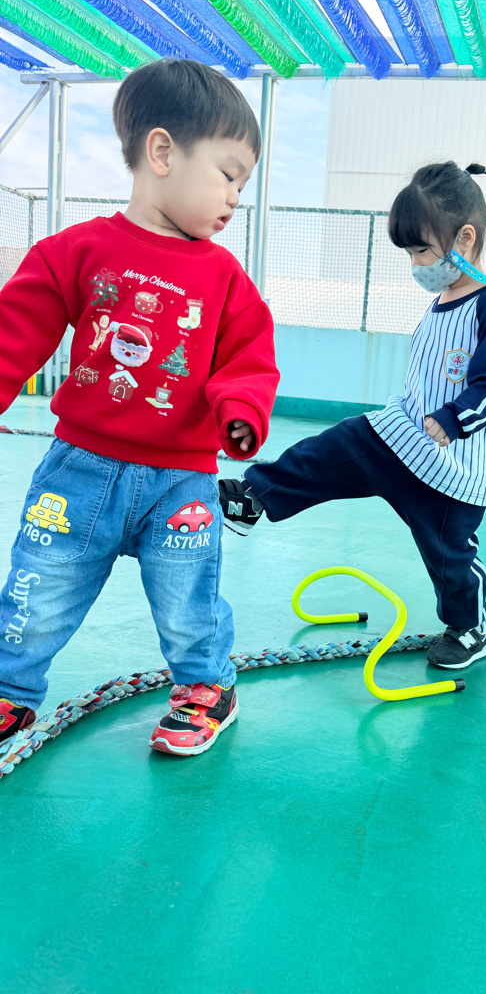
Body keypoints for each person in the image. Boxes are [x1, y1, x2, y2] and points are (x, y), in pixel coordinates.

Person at [0, 59, 279, 755]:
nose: (235, 198)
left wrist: (241, 410)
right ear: (162, 152)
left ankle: (208, 687)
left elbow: (249, 355)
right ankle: (10, 690)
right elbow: (15, 329)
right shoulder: (75, 252)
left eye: (242, 184)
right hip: (79, 469)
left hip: (181, 480)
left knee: (189, 601)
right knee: (39, 587)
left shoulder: (225, 279)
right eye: (228, 174)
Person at [219, 162, 486, 670]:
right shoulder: (440, 302)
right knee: (334, 448)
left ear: (464, 239)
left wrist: (455, 418)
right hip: (401, 436)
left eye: (421, 250)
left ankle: (469, 628)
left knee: (450, 555)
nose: (415, 264)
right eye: (410, 253)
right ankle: (254, 496)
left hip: (452, 469)